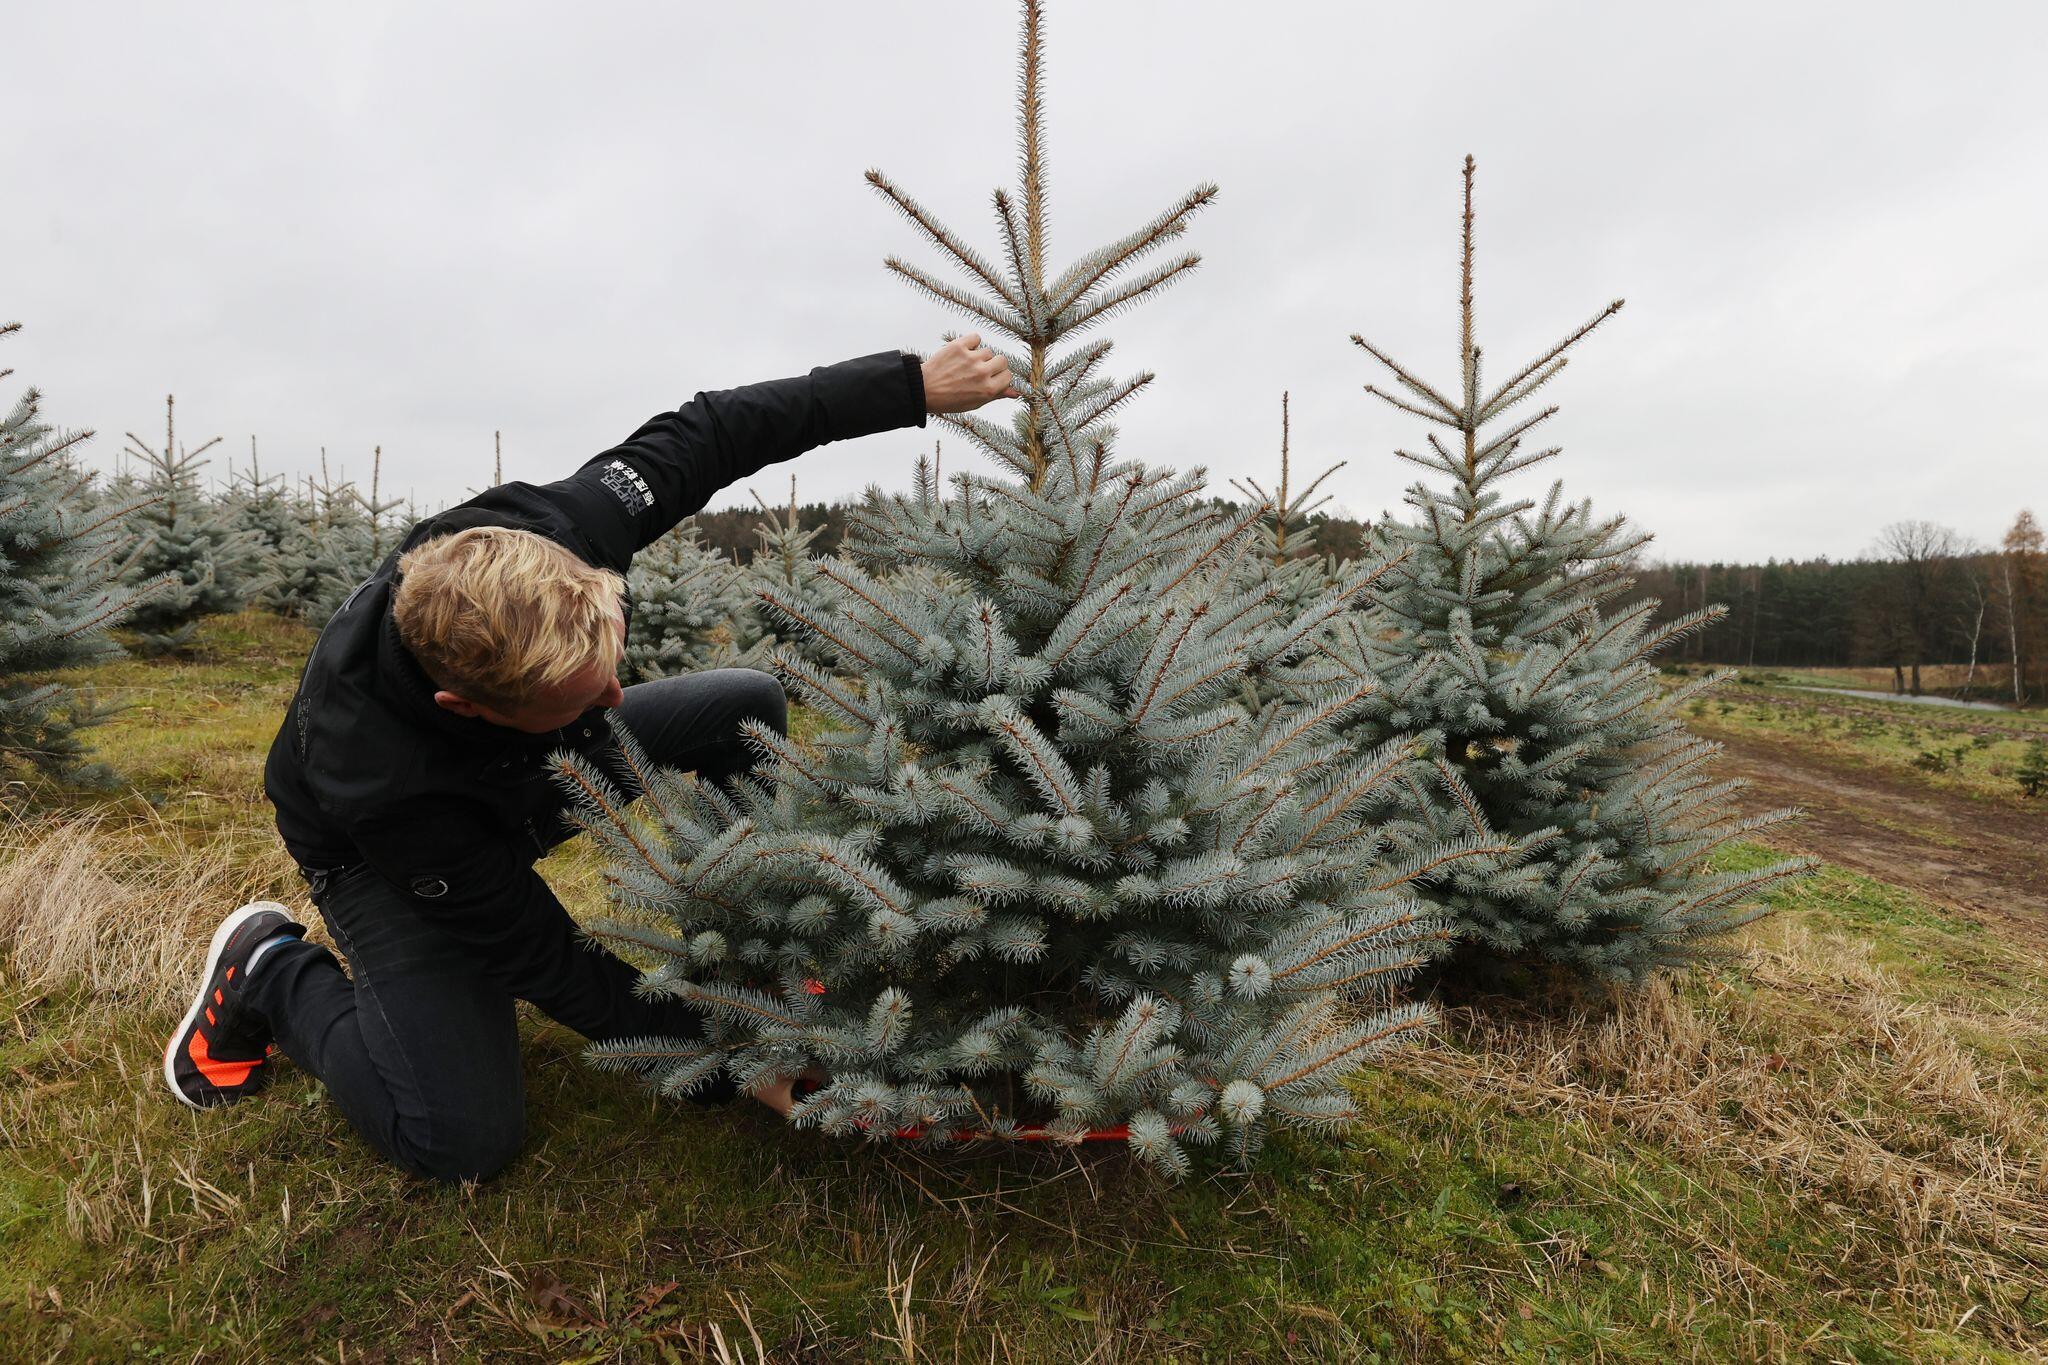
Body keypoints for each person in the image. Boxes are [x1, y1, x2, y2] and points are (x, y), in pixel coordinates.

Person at [161, 336, 1017, 1183]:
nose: (617, 700)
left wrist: (910, 385)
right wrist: (717, 1061)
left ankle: (749, 960)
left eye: (612, 667)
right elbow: (545, 957)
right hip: (376, 856)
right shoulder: (382, 781)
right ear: (469, 704)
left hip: (522, 765)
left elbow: (720, 427)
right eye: (582, 697)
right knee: (460, 1137)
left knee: (743, 704)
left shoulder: (564, 528)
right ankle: (270, 970)